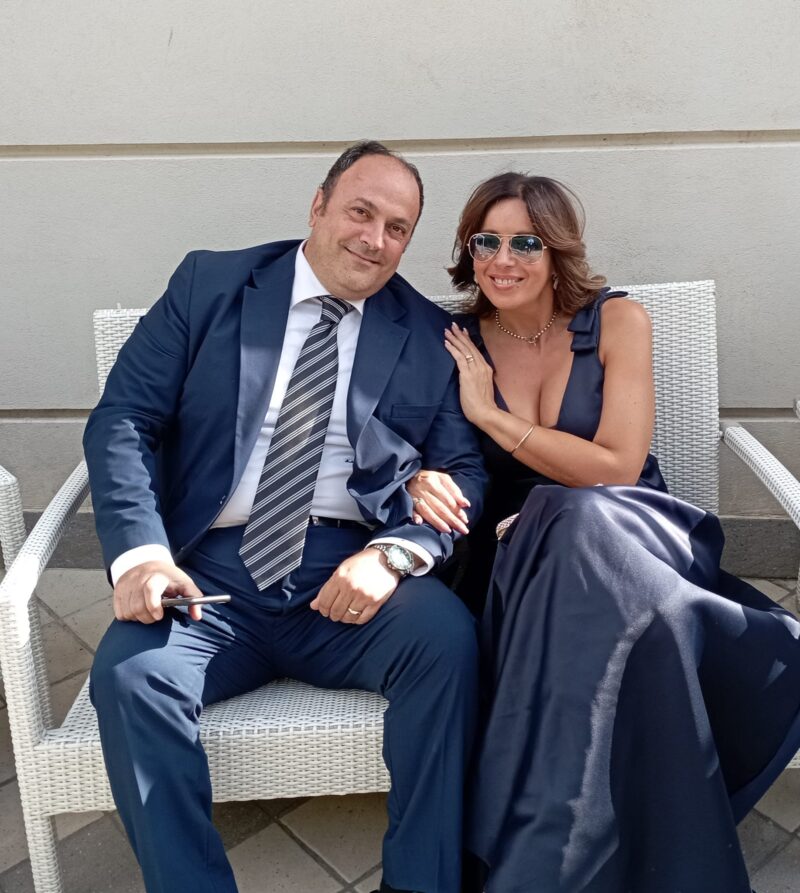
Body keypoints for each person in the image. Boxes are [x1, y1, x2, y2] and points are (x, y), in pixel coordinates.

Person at [83, 140, 487, 893]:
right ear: (318, 205)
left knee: (446, 641)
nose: (375, 239)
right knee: (131, 675)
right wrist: (141, 555)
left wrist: (395, 553)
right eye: (360, 212)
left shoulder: (428, 334)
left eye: (397, 228)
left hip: (347, 573)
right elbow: (124, 419)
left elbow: (464, 473)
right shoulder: (209, 284)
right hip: (208, 575)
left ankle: (420, 884)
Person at [408, 172, 800, 892]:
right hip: (516, 559)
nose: (503, 259)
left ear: (558, 248)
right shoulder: (455, 342)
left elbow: (617, 465)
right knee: (559, 523)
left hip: (633, 530)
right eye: (486, 242)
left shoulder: (618, 320)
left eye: (526, 242)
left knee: (573, 513)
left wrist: (492, 417)